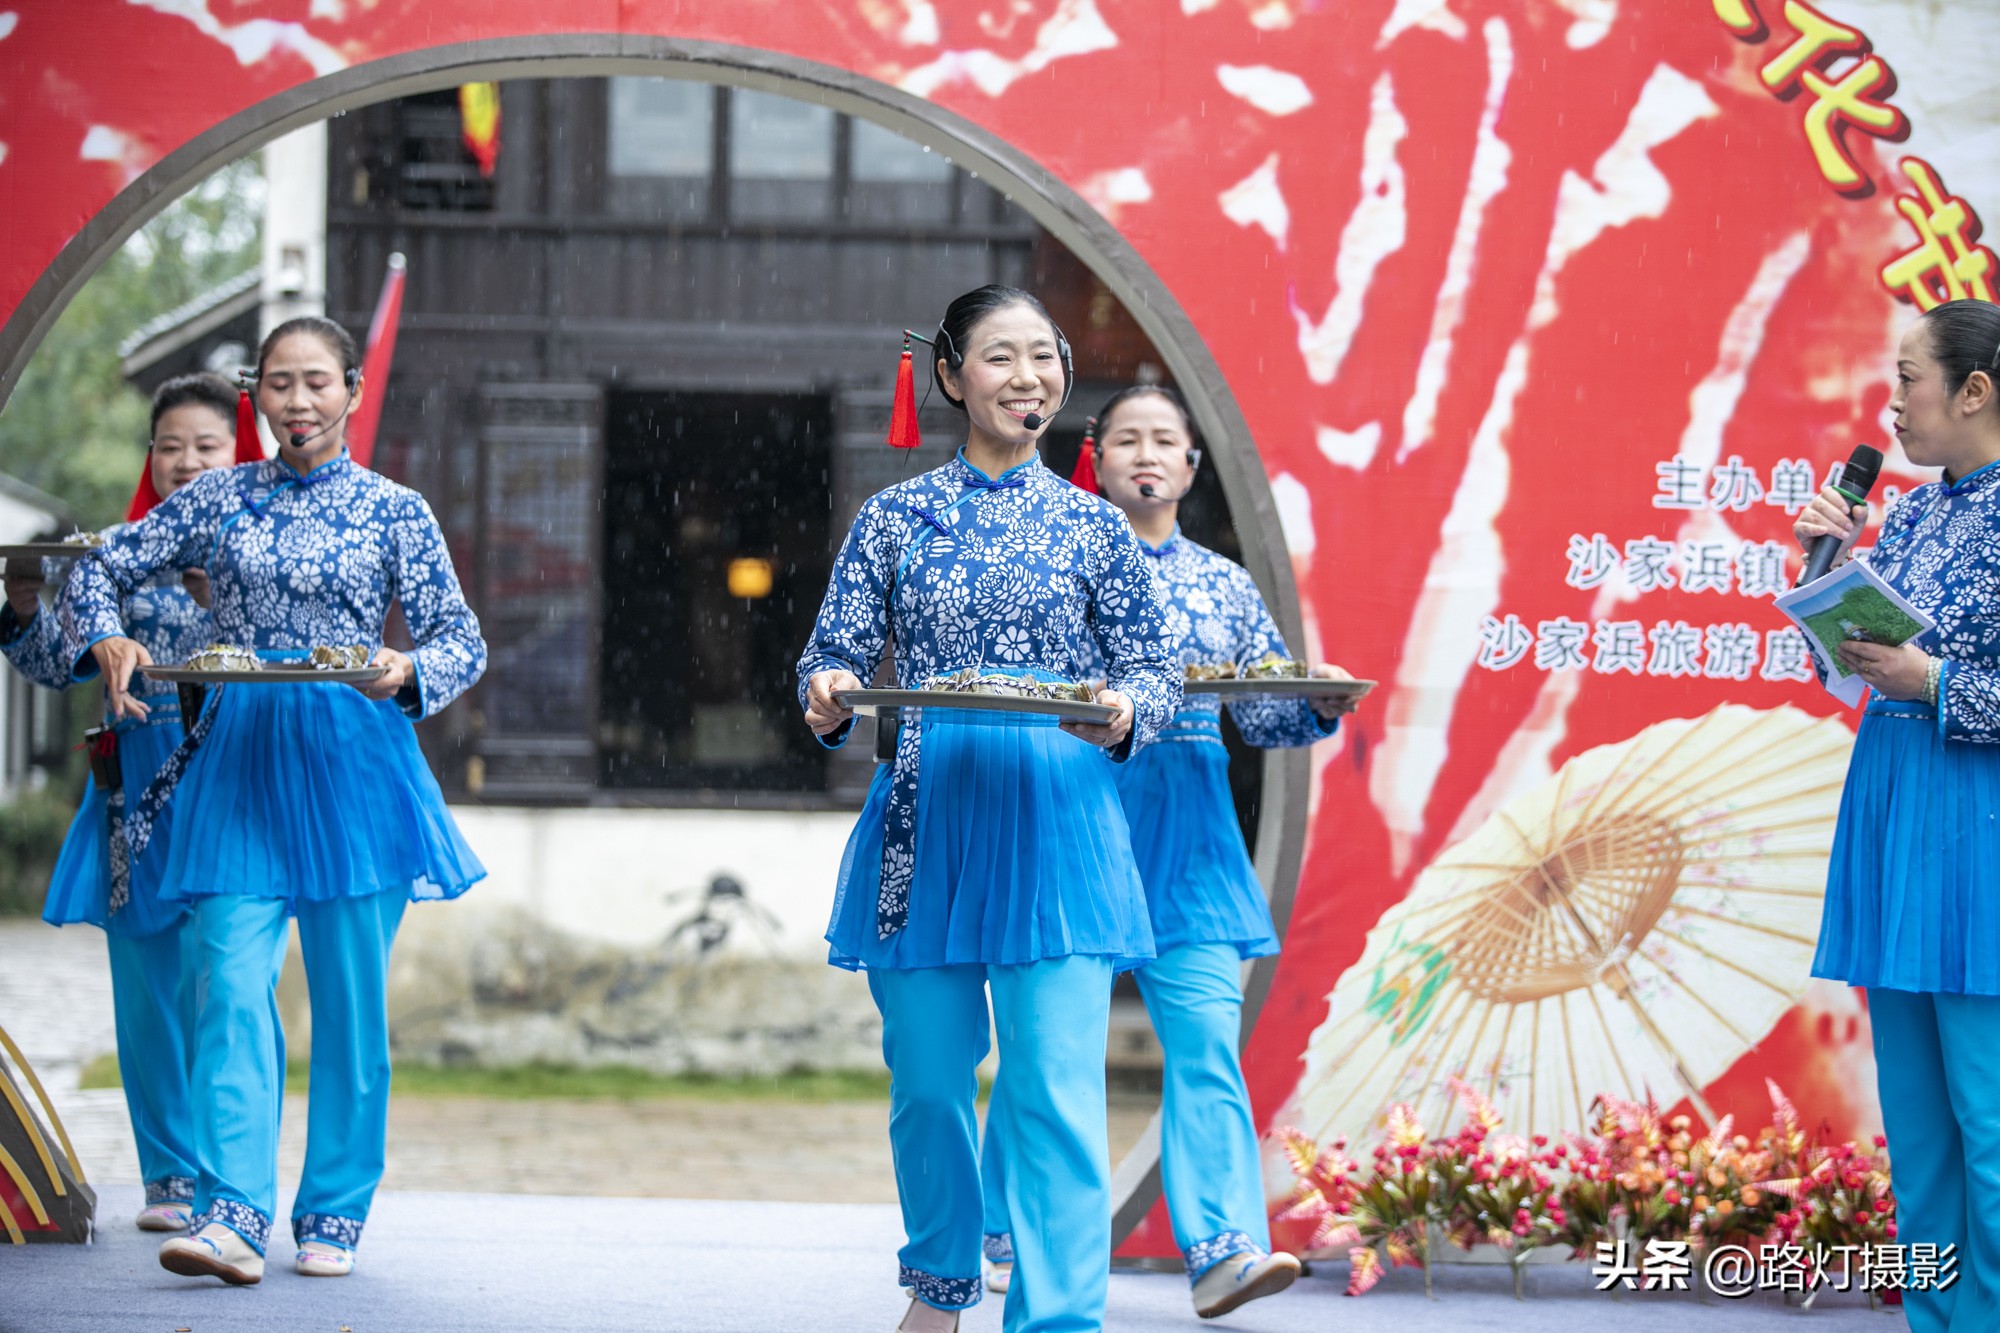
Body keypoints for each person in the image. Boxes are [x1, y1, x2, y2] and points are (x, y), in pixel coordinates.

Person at [58, 316, 487, 1286]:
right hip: (240, 757)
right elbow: (100, 565)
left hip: (353, 763)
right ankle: (232, 1212)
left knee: (347, 1004)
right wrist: (107, 640)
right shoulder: (217, 498)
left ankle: (333, 1208)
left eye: (316, 383)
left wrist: (407, 668)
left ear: (351, 391)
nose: (297, 401)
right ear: (257, 393)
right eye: (279, 384)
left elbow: (461, 639)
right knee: (225, 976)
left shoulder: (395, 511)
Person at [799, 285, 1179, 1333]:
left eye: (1044, 358)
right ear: (951, 376)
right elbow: (828, 656)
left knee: (1054, 1091)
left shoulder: (1097, 527)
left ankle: (1057, 1316)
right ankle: (937, 1283)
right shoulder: (894, 516)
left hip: (1056, 818)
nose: (1029, 379)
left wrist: (1121, 713)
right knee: (925, 1081)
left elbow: (1155, 673)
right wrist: (828, 693)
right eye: (1002, 359)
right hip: (923, 815)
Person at [977, 385, 1357, 1318]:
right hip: (1078, 816)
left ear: (1192, 467)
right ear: (1095, 462)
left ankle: (1224, 1247)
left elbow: (1265, 709)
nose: (1148, 455)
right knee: (1044, 1051)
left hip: (1190, 836)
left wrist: (1319, 702)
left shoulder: (1225, 583)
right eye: (1127, 441)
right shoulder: (1056, 565)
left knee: (1205, 1048)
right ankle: (997, 1227)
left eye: (1167, 442)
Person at [1796, 297, 2000, 1333]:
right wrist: (1820, 570)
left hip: (1979, 828)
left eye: (1907, 378)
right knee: (1917, 1132)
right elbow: (1845, 665)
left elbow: (1930, 674)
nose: (1893, 404)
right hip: (1893, 812)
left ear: (1973, 390)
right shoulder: (1913, 513)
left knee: (1989, 1124)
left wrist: (1938, 683)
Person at [0, 372, 241, 1233]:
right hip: (130, 794)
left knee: (226, 988)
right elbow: (52, 665)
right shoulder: (115, 555)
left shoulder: (261, 556)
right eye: (169, 445)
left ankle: (228, 1182)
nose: (186, 462)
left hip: (230, 789)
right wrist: (26, 604)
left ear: (238, 452)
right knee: (146, 1000)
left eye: (206, 446)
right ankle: (169, 1177)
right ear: (150, 454)